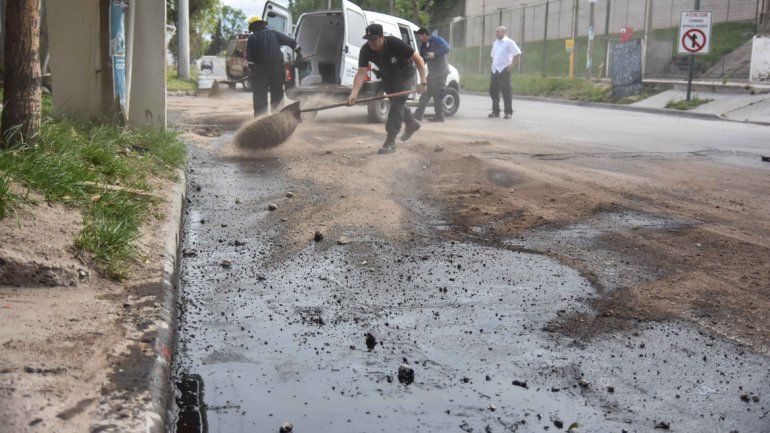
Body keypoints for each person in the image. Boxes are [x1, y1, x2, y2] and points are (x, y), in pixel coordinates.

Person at [347, 24, 428, 155]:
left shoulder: (395, 43)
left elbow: (418, 59)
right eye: (368, 39)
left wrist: (423, 82)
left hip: (405, 73)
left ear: (381, 37)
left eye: (373, 39)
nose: (371, 43)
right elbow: (361, 73)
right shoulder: (366, 50)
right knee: (396, 102)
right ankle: (411, 123)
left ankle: (390, 141)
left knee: (396, 103)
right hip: (388, 76)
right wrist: (353, 94)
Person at [245, 15, 300, 117]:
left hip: (260, 72)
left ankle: (261, 122)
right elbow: (291, 42)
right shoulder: (274, 33)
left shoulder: (252, 39)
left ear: (253, 27)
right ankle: (278, 118)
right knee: (277, 97)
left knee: (260, 99)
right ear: (262, 24)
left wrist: (252, 71)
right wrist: (299, 52)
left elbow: (250, 60)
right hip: (277, 70)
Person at [413, 28, 450, 122]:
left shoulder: (436, 40)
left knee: (438, 94)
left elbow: (447, 48)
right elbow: (422, 59)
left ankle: (440, 116)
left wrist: (435, 54)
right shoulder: (424, 45)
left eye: (420, 36)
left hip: (441, 72)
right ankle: (418, 114)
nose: (419, 38)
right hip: (433, 74)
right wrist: (415, 63)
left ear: (425, 34)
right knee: (425, 93)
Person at [488, 26, 521, 119]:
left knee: (506, 91)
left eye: (498, 31)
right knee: (493, 90)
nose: (496, 33)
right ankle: (495, 111)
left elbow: (518, 54)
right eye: (496, 31)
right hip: (495, 70)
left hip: (504, 69)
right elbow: (493, 56)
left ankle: (508, 112)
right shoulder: (495, 43)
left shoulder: (509, 42)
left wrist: (512, 65)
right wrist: (493, 65)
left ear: (504, 32)